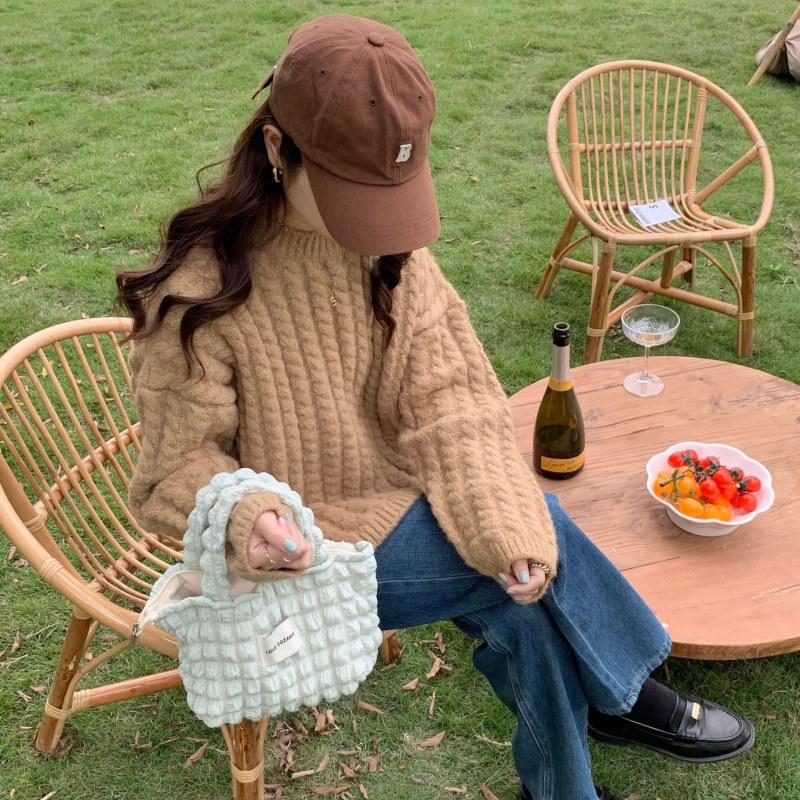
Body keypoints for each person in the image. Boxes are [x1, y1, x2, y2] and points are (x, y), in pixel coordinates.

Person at [116, 14, 754, 800]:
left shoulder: (391, 254)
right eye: (352, 198)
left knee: (521, 589)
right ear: (278, 149)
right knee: (532, 544)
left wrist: (503, 525)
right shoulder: (200, 290)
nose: (374, 231)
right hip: (297, 553)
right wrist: (249, 517)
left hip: (398, 504)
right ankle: (625, 697)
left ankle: (564, 785)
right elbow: (171, 475)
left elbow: (453, 398)